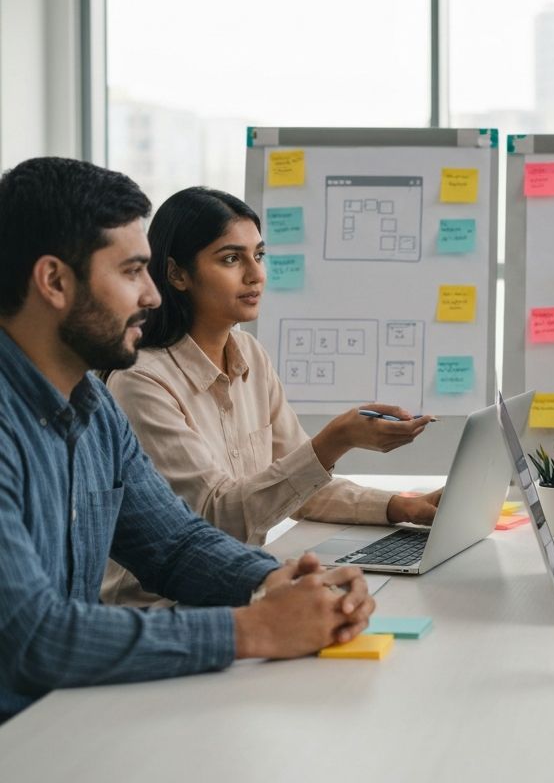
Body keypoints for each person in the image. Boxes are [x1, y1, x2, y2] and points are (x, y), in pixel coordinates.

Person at [0, 158, 376, 723]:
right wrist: (253, 629)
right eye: (131, 272)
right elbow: (32, 637)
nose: (152, 296)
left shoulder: (94, 409)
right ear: (54, 281)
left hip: (61, 720)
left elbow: (173, 544)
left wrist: (278, 580)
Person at [102, 186, 437, 607]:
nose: (255, 274)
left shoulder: (250, 357)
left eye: (258, 255)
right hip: (159, 610)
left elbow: (302, 487)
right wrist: (334, 441)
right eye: (230, 259)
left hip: (236, 591)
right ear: (176, 274)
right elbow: (214, 521)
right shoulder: (142, 382)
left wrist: (404, 506)